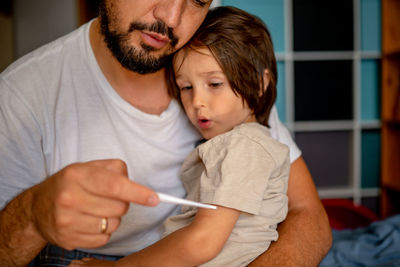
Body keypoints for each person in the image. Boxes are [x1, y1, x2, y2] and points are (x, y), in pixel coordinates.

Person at [0, 0, 332, 266]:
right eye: (185, 87)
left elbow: (308, 216)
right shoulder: (22, 94)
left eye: (197, 1)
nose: (171, 18)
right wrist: (33, 214)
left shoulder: (229, 76)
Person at [69, 6, 290, 267]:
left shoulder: (246, 147)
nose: (198, 101)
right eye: (186, 87)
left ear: (261, 83)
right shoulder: (232, 144)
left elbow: (203, 241)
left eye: (215, 84)